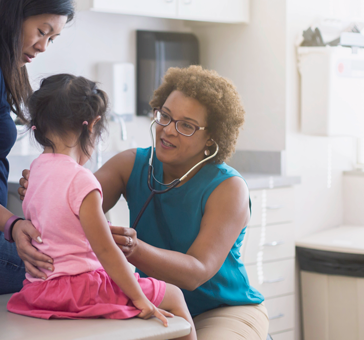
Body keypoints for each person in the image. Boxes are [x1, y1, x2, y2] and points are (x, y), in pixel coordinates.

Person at [19, 66, 270, 339]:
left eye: (186, 125)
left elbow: (196, 273)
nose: (168, 131)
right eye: (165, 116)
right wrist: (47, 187)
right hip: (155, 300)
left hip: (222, 309)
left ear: (212, 138)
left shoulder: (228, 188)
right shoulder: (132, 164)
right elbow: (73, 200)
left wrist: (134, 249)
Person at [7, 74, 196, 340]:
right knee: (174, 294)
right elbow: (106, 250)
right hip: (81, 290)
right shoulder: (81, 178)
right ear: (93, 125)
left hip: (40, 291)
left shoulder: (36, 171)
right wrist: (140, 298)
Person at [0, 0, 75, 297]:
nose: (43, 46)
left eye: (52, 38)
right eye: (41, 31)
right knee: (88, 272)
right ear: (15, 12)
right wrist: (12, 224)